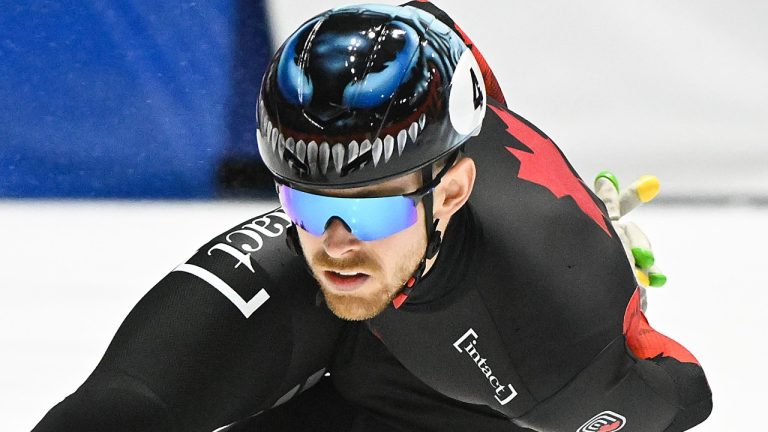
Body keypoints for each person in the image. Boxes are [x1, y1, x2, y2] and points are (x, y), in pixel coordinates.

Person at [33, 2, 712, 431]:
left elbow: (686, 398)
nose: (335, 244)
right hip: (349, 304)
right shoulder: (336, 242)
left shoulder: (553, 334)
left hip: (450, 392)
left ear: (451, 194)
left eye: (370, 210)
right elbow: (437, 30)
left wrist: (624, 318)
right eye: (306, 201)